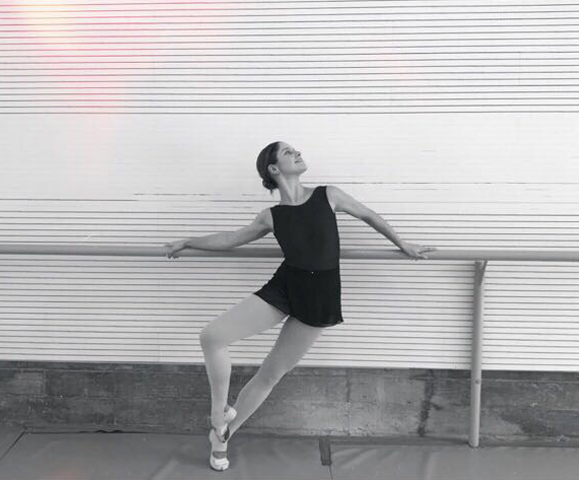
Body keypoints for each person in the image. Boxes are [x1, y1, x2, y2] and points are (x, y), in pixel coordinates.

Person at [163, 141, 436, 471]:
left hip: (319, 297)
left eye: (296, 150)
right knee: (212, 336)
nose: (298, 154)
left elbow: (367, 214)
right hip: (285, 287)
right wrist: (188, 241)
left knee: (270, 374)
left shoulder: (328, 195)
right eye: (288, 152)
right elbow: (232, 238)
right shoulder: (271, 216)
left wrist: (402, 243)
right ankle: (219, 413)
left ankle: (221, 437)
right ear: (274, 169)